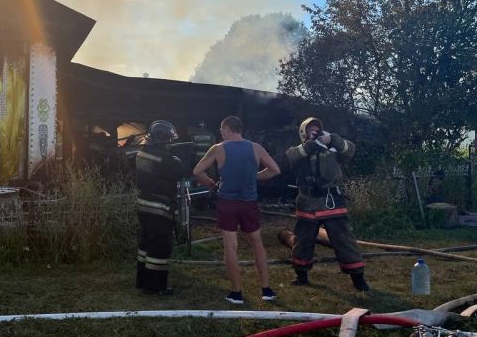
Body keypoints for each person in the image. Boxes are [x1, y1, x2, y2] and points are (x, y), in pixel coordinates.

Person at [193, 116, 281, 304]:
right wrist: (253, 176)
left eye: (221, 129)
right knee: (257, 244)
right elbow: (275, 170)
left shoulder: (218, 149)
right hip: (249, 202)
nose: (220, 132)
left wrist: (210, 183)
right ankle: (266, 290)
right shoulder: (256, 148)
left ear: (226, 129)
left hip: (227, 202)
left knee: (230, 247)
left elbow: (197, 171)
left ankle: (236, 294)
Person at [285, 117, 369, 291]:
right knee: (303, 240)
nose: (315, 131)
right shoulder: (300, 150)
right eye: (311, 129)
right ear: (303, 133)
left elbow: (350, 150)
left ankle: (358, 279)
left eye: (317, 128)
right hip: (307, 202)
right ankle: (301, 275)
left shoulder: (332, 147)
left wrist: (333, 140)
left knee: (344, 240)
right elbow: (289, 158)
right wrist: (310, 145)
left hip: (332, 201)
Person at [135, 120, 185, 296]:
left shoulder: (142, 153)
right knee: (160, 246)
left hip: (144, 205)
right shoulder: (165, 158)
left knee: (146, 244)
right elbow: (179, 171)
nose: (170, 143)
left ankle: (142, 280)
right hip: (159, 207)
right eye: (169, 140)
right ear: (162, 139)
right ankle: (155, 286)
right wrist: (176, 156)